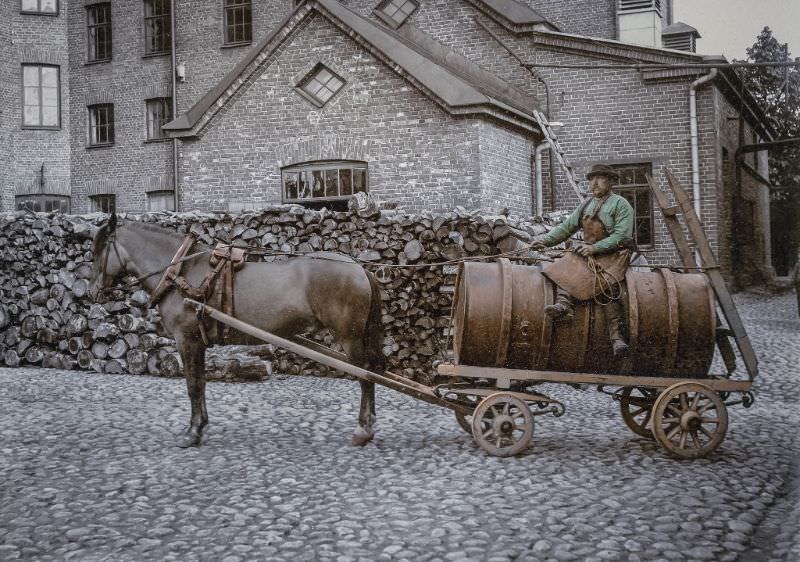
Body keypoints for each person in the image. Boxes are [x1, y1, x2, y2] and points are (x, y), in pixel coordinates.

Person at [530, 164, 635, 357]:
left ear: (610, 182)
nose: (594, 183)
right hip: (589, 253)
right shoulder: (587, 205)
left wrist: (595, 247)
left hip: (613, 255)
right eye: (591, 179)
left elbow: (622, 235)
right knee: (563, 266)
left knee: (609, 288)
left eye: (600, 178)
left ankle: (616, 338)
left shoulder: (621, 205)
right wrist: (544, 241)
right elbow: (566, 227)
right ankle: (564, 306)